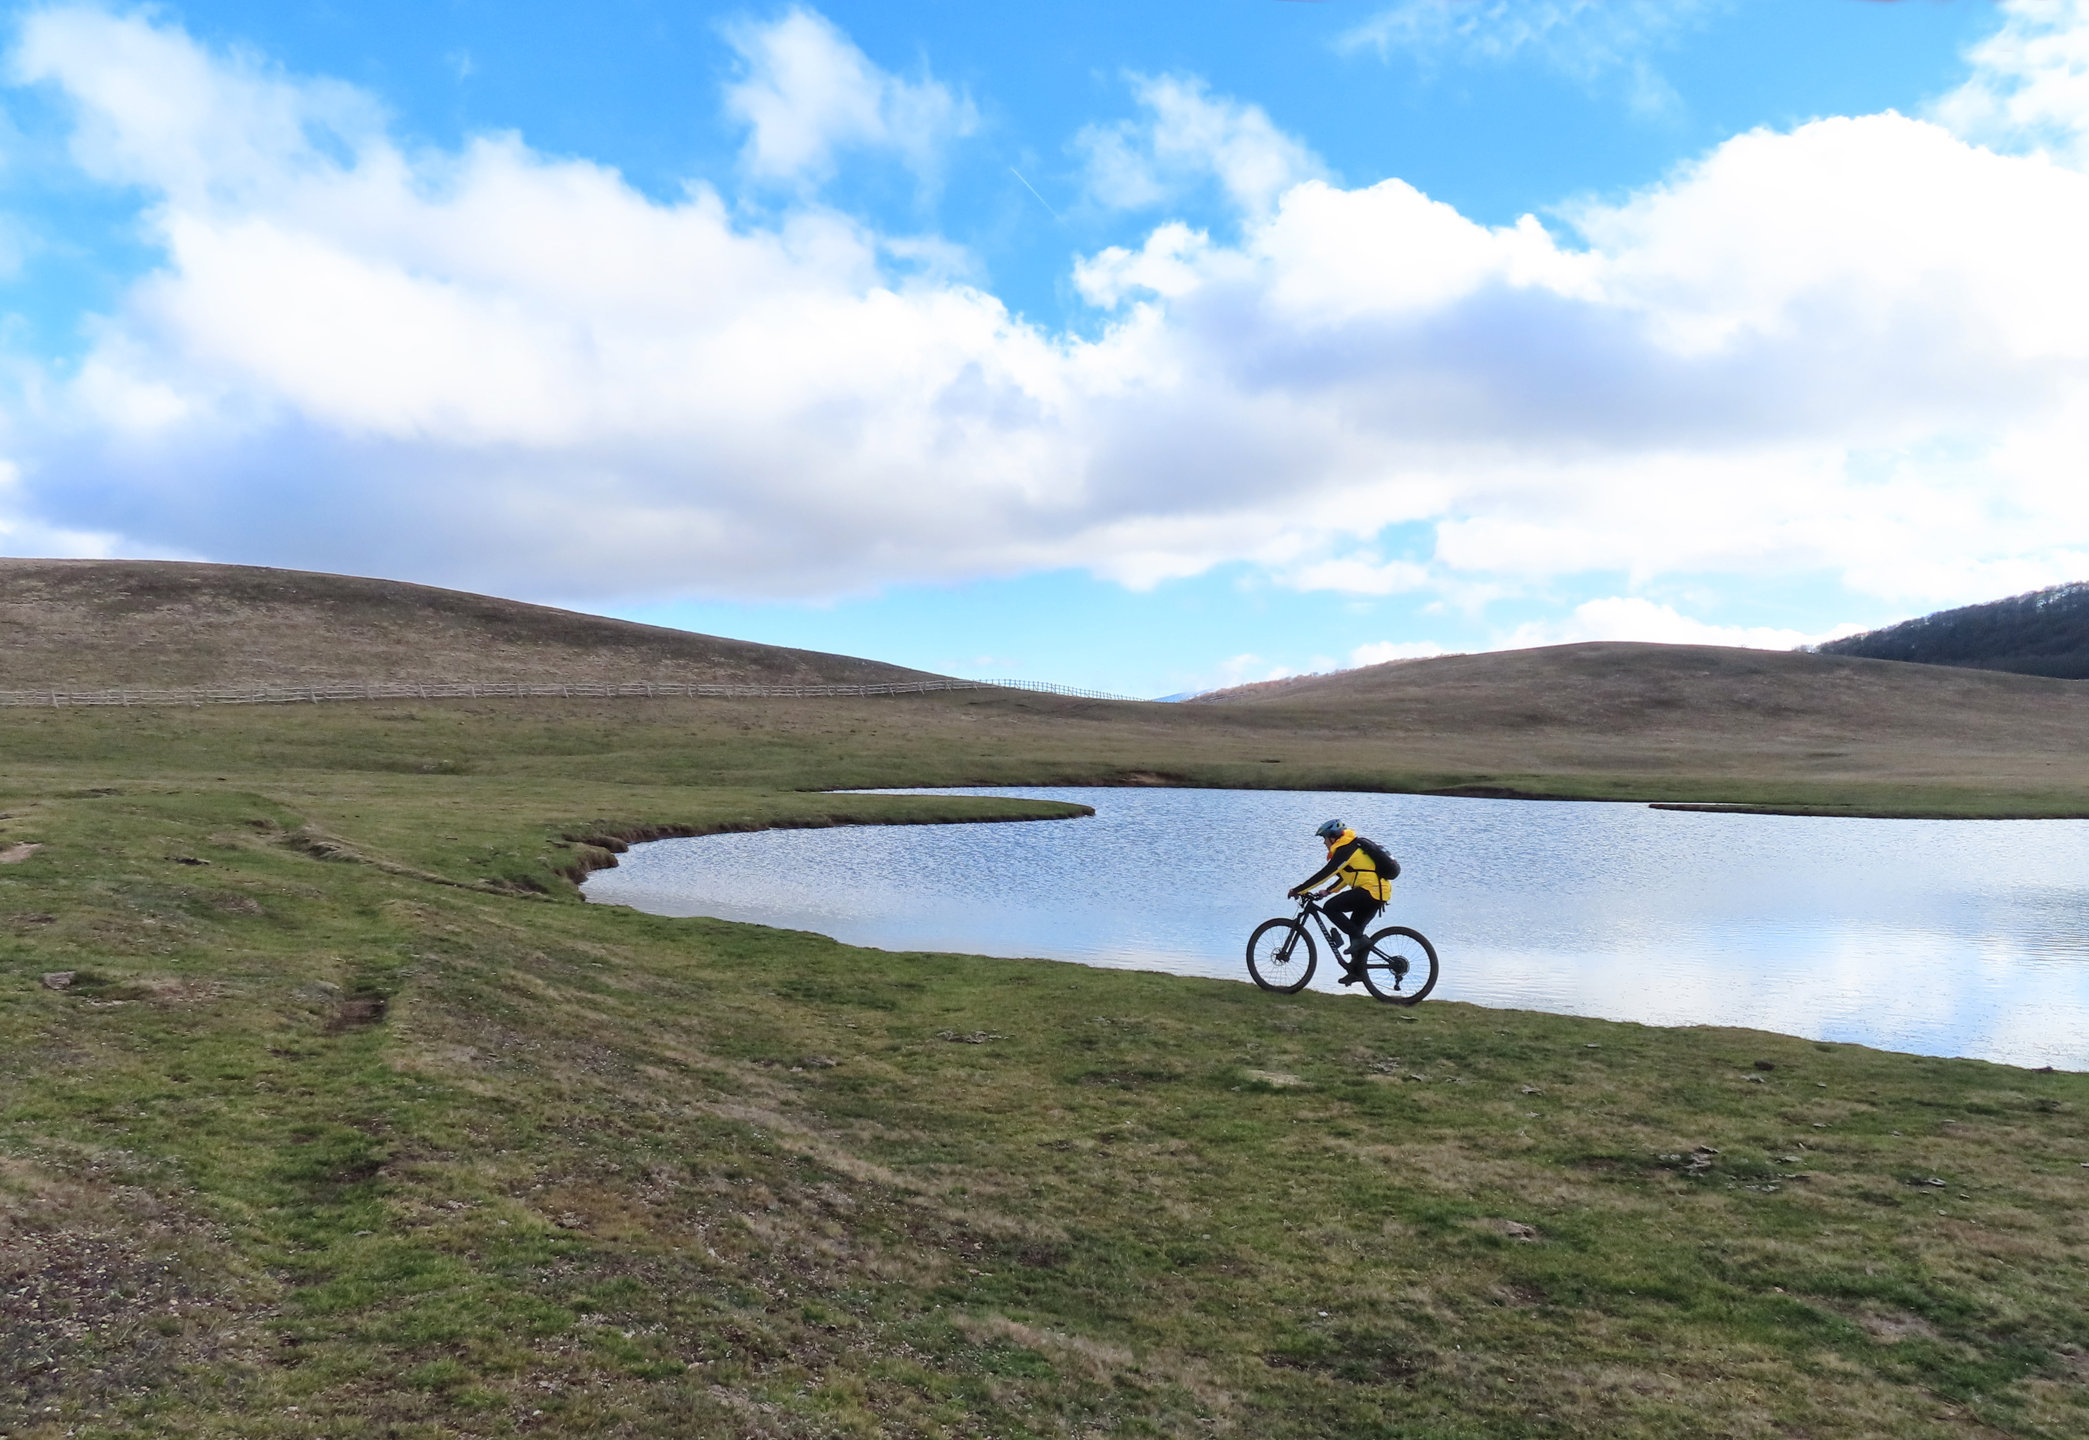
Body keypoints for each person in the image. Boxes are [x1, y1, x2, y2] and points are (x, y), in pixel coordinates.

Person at [1288, 818, 1396, 985]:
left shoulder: (1346, 849)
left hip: (1371, 891)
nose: (1324, 843)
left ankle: (1360, 942)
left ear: (1333, 837)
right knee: (1354, 929)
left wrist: (1299, 889)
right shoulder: (1350, 849)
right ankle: (1357, 971)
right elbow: (1347, 876)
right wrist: (1328, 891)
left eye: (1324, 838)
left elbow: (1326, 873)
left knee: (1331, 908)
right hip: (1377, 893)